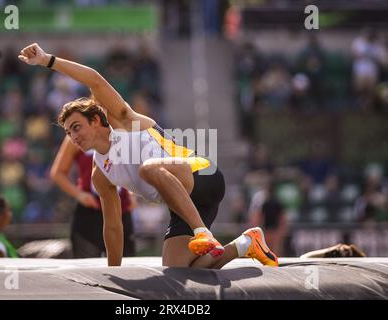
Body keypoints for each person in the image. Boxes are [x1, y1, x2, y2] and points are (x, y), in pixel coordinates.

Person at [18, 43, 278, 268]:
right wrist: (113, 274)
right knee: (177, 268)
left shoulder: (123, 120)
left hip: (203, 176)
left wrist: (47, 60)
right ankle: (246, 243)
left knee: (148, 169)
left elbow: (94, 80)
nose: (73, 137)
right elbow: (113, 227)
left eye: (76, 127)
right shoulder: (100, 175)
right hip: (184, 205)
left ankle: (202, 233)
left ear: (96, 120)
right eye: (68, 132)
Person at [50, 135, 136, 258]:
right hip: (90, 211)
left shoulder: (124, 132)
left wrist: (132, 194)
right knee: (86, 267)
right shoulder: (77, 135)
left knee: (126, 266)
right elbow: (57, 173)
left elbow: (132, 168)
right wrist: (80, 195)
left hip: (121, 210)